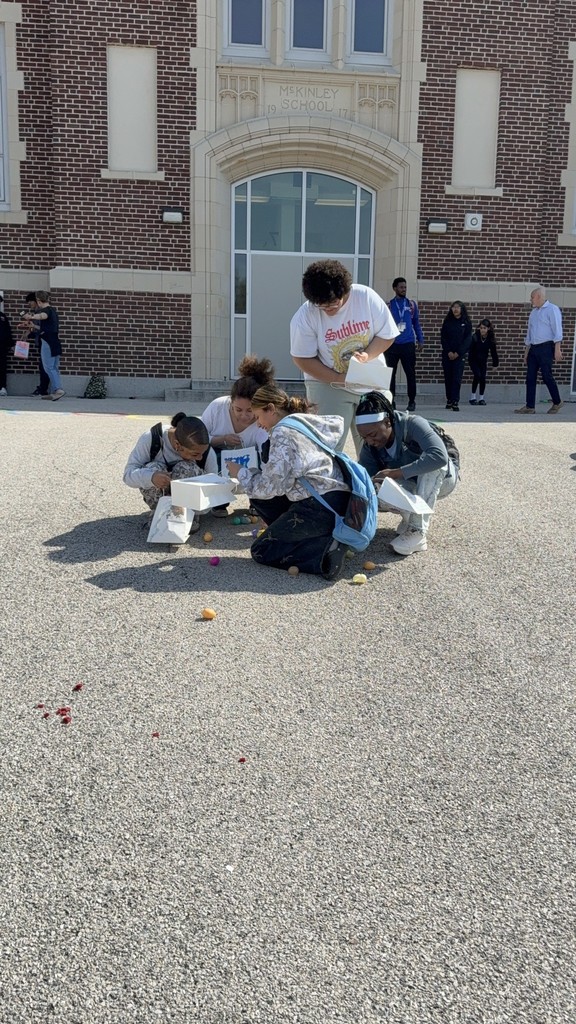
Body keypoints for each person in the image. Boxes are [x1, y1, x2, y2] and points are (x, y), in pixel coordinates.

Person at [226, 383, 351, 579]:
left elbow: (271, 487)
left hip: (319, 507)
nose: (258, 423)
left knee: (262, 550)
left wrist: (241, 472)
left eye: (258, 416)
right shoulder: (302, 424)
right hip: (335, 501)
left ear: (272, 409)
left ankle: (326, 550)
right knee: (258, 493)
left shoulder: (282, 432)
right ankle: (317, 536)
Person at [290, 259, 399, 454]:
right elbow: (302, 358)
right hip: (327, 383)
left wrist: (367, 354)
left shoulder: (365, 297)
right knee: (327, 447)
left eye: (333, 304)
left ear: (345, 291)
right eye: (321, 306)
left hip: (370, 380)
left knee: (378, 444)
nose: (328, 310)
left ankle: (376, 482)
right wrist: (339, 379)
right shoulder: (305, 315)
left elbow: (387, 334)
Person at [355, 391, 458, 556]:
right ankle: (410, 517)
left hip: (443, 479)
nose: (369, 441)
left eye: (372, 435)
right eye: (364, 438)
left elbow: (439, 457)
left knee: (431, 461)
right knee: (377, 489)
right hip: (413, 483)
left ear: (387, 422)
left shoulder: (413, 424)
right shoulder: (370, 447)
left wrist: (396, 473)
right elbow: (364, 482)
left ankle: (417, 532)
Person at [201, 355, 273, 516]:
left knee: (264, 458)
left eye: (250, 411)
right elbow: (199, 437)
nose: (244, 416)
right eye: (238, 410)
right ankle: (219, 500)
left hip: (249, 462)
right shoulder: (217, 408)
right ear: (230, 402)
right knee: (209, 456)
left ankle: (258, 500)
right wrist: (222, 440)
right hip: (219, 458)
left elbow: (267, 454)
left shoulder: (262, 420)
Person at [123, 413, 218, 532]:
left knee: (185, 468)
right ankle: (159, 512)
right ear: (177, 445)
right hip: (158, 496)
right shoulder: (152, 438)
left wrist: (199, 509)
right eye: (195, 454)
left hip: (189, 504)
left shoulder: (206, 449)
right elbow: (128, 475)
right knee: (154, 468)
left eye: (202, 453)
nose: (200, 458)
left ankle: (188, 515)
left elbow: (214, 488)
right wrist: (151, 477)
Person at [515, 286, 564, 414]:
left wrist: (557, 349)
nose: (531, 300)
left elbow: (557, 330)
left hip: (546, 347)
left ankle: (557, 401)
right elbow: (529, 332)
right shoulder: (534, 312)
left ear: (538, 297)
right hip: (534, 348)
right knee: (530, 377)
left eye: (532, 297)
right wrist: (527, 351)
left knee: (546, 375)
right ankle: (530, 406)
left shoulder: (552, 309)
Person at [386, 277, 425, 411]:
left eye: (405, 287)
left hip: (408, 343)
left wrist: (420, 339)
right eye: (401, 287)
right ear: (395, 288)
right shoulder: (389, 306)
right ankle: (391, 401)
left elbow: (416, 323)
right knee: (390, 374)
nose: (404, 289)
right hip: (393, 344)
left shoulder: (411, 305)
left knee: (410, 373)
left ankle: (412, 401)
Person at [20, 290, 64, 400]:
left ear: (39, 301)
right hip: (54, 340)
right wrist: (33, 326)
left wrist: (31, 316)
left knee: (48, 367)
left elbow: (42, 316)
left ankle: (58, 389)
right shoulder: (53, 310)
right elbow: (45, 327)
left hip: (47, 341)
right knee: (54, 367)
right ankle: (56, 390)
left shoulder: (46, 310)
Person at [440, 301, 473, 412]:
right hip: (447, 354)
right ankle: (449, 399)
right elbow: (443, 337)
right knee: (448, 377)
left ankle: (455, 401)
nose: (455, 309)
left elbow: (467, 340)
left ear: (462, 309)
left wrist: (458, 353)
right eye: (453, 307)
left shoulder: (466, 322)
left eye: (458, 307)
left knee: (457, 378)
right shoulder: (447, 322)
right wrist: (448, 351)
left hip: (460, 355)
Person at [23, 292, 50, 396]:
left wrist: (30, 330)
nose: (29, 304)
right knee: (44, 366)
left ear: (36, 301)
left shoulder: (40, 313)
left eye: (30, 301)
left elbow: (41, 329)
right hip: (42, 342)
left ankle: (43, 389)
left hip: (44, 342)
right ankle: (43, 388)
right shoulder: (38, 313)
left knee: (44, 367)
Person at [468, 319, 499, 405]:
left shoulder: (490, 339)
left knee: (483, 378)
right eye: (481, 328)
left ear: (488, 329)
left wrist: (495, 364)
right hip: (473, 360)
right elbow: (470, 350)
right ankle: (472, 397)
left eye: (484, 328)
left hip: (483, 361)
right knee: (477, 375)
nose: (482, 330)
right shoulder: (475, 337)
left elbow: (493, 352)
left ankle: (481, 398)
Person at [0, 292, 13, 397]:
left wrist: (11, 344)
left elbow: (7, 332)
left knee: (2, 367)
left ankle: (2, 387)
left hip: (1, 347)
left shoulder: (2, 317)